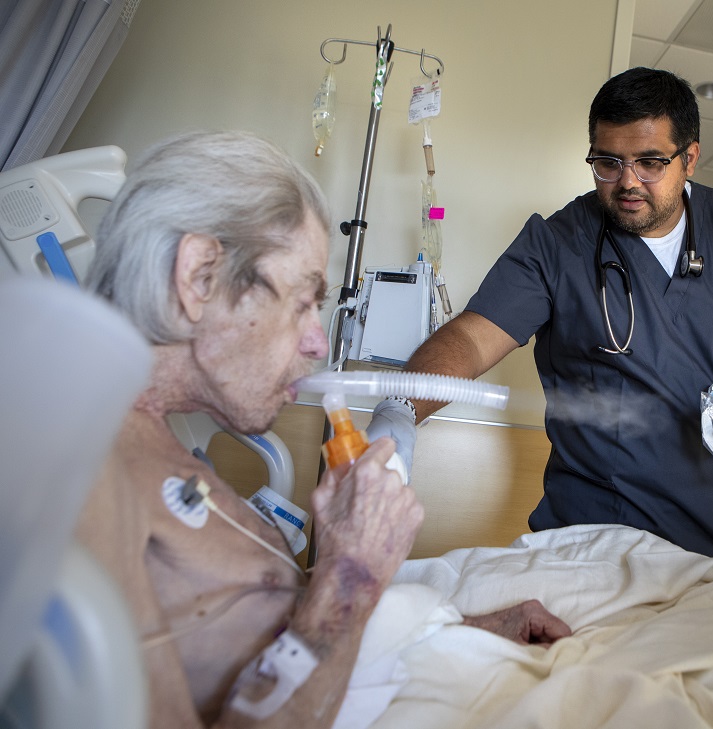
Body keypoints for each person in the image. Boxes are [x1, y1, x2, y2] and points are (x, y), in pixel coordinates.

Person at [76, 130, 570, 729]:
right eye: (304, 302)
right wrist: (351, 573)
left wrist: (460, 632)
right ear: (199, 277)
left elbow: (268, 629)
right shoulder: (86, 479)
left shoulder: (155, 446)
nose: (317, 342)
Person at [368, 67, 713, 581]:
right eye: (608, 162)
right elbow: (472, 337)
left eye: (650, 162)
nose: (627, 181)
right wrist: (401, 406)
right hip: (596, 540)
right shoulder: (557, 244)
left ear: (689, 158)